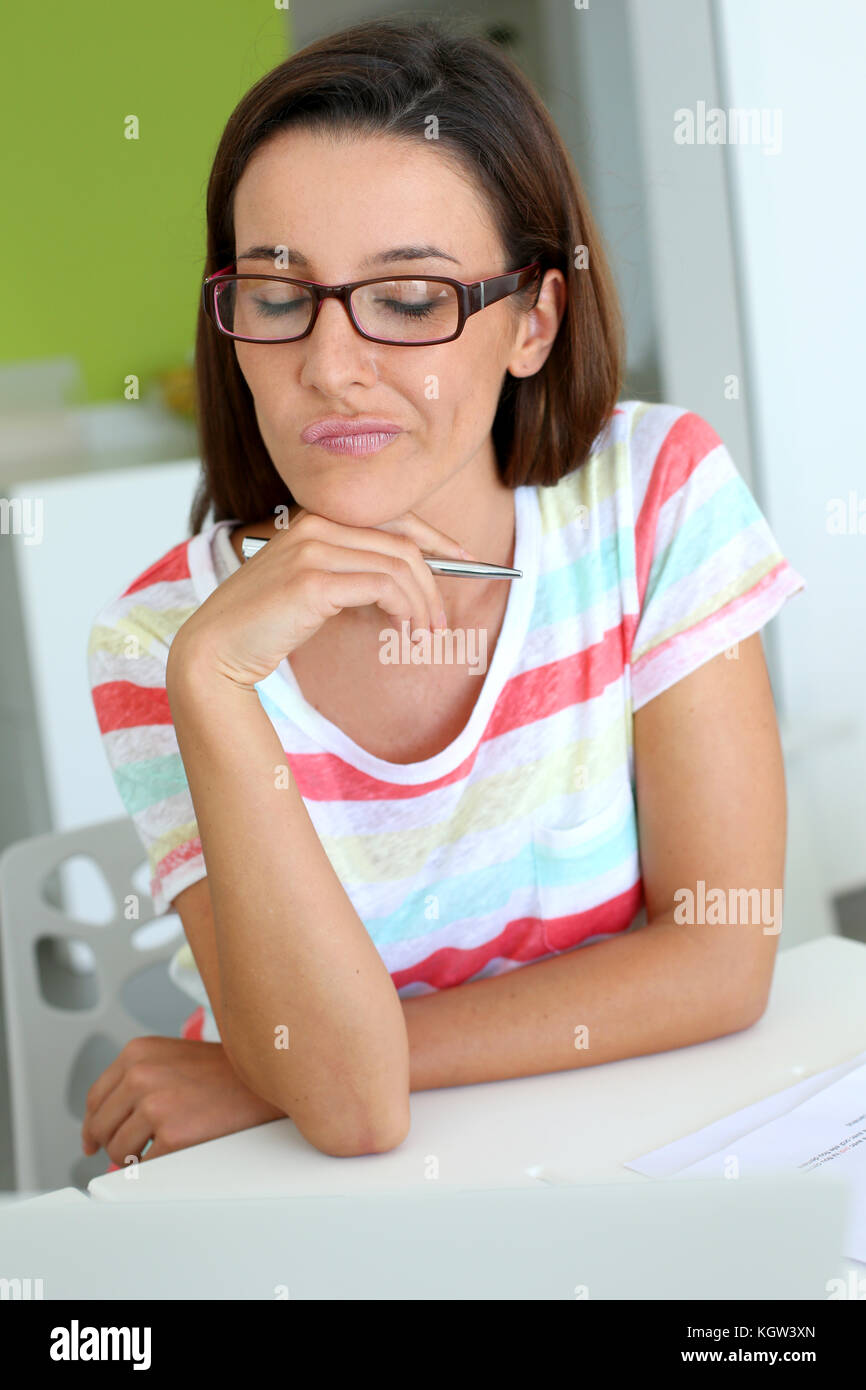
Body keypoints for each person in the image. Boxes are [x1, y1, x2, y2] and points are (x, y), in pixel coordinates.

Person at [82, 17, 805, 1169]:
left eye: (409, 299)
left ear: (531, 320)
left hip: (607, 1151)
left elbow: (720, 961)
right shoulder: (167, 643)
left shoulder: (650, 500)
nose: (330, 366)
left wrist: (278, 1072)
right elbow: (352, 1116)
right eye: (279, 297)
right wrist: (212, 685)